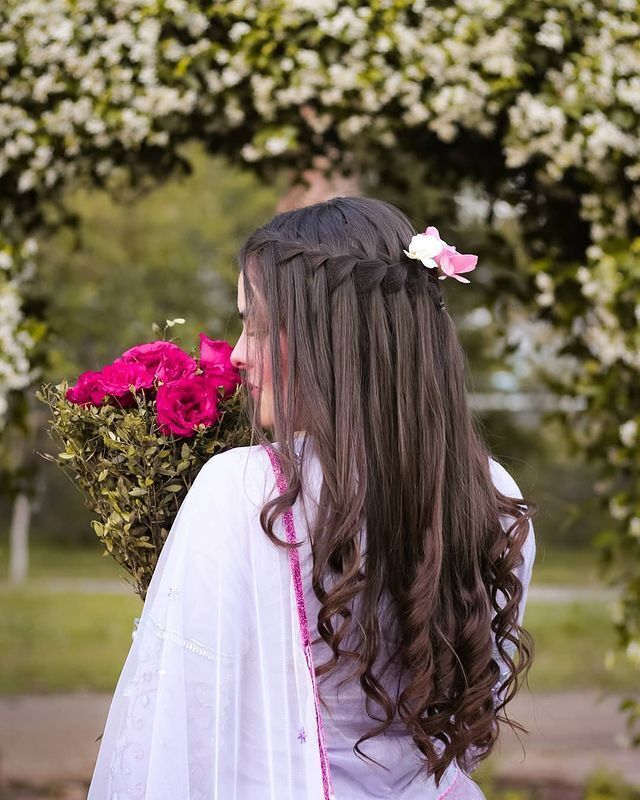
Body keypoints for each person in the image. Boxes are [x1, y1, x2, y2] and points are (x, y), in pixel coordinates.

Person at [88, 196, 535, 799]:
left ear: (335, 342)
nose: (238, 354)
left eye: (259, 327)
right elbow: (464, 720)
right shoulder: (496, 498)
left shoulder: (244, 492)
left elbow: (177, 736)